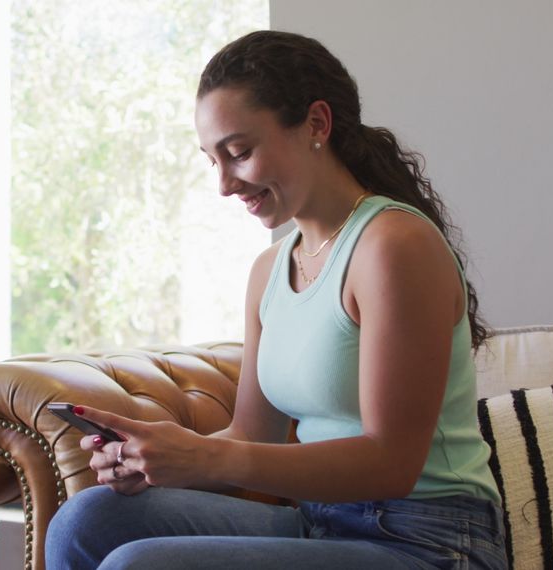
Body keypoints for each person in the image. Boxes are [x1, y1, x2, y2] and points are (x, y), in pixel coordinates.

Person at [45, 30, 507, 569]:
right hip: (322, 524)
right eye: (212, 160)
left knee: (140, 566)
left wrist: (206, 456)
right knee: (87, 519)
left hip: (429, 541)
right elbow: (250, 435)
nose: (224, 184)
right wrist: (157, 458)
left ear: (316, 124)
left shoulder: (393, 245)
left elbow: (392, 463)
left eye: (239, 153)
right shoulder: (269, 270)